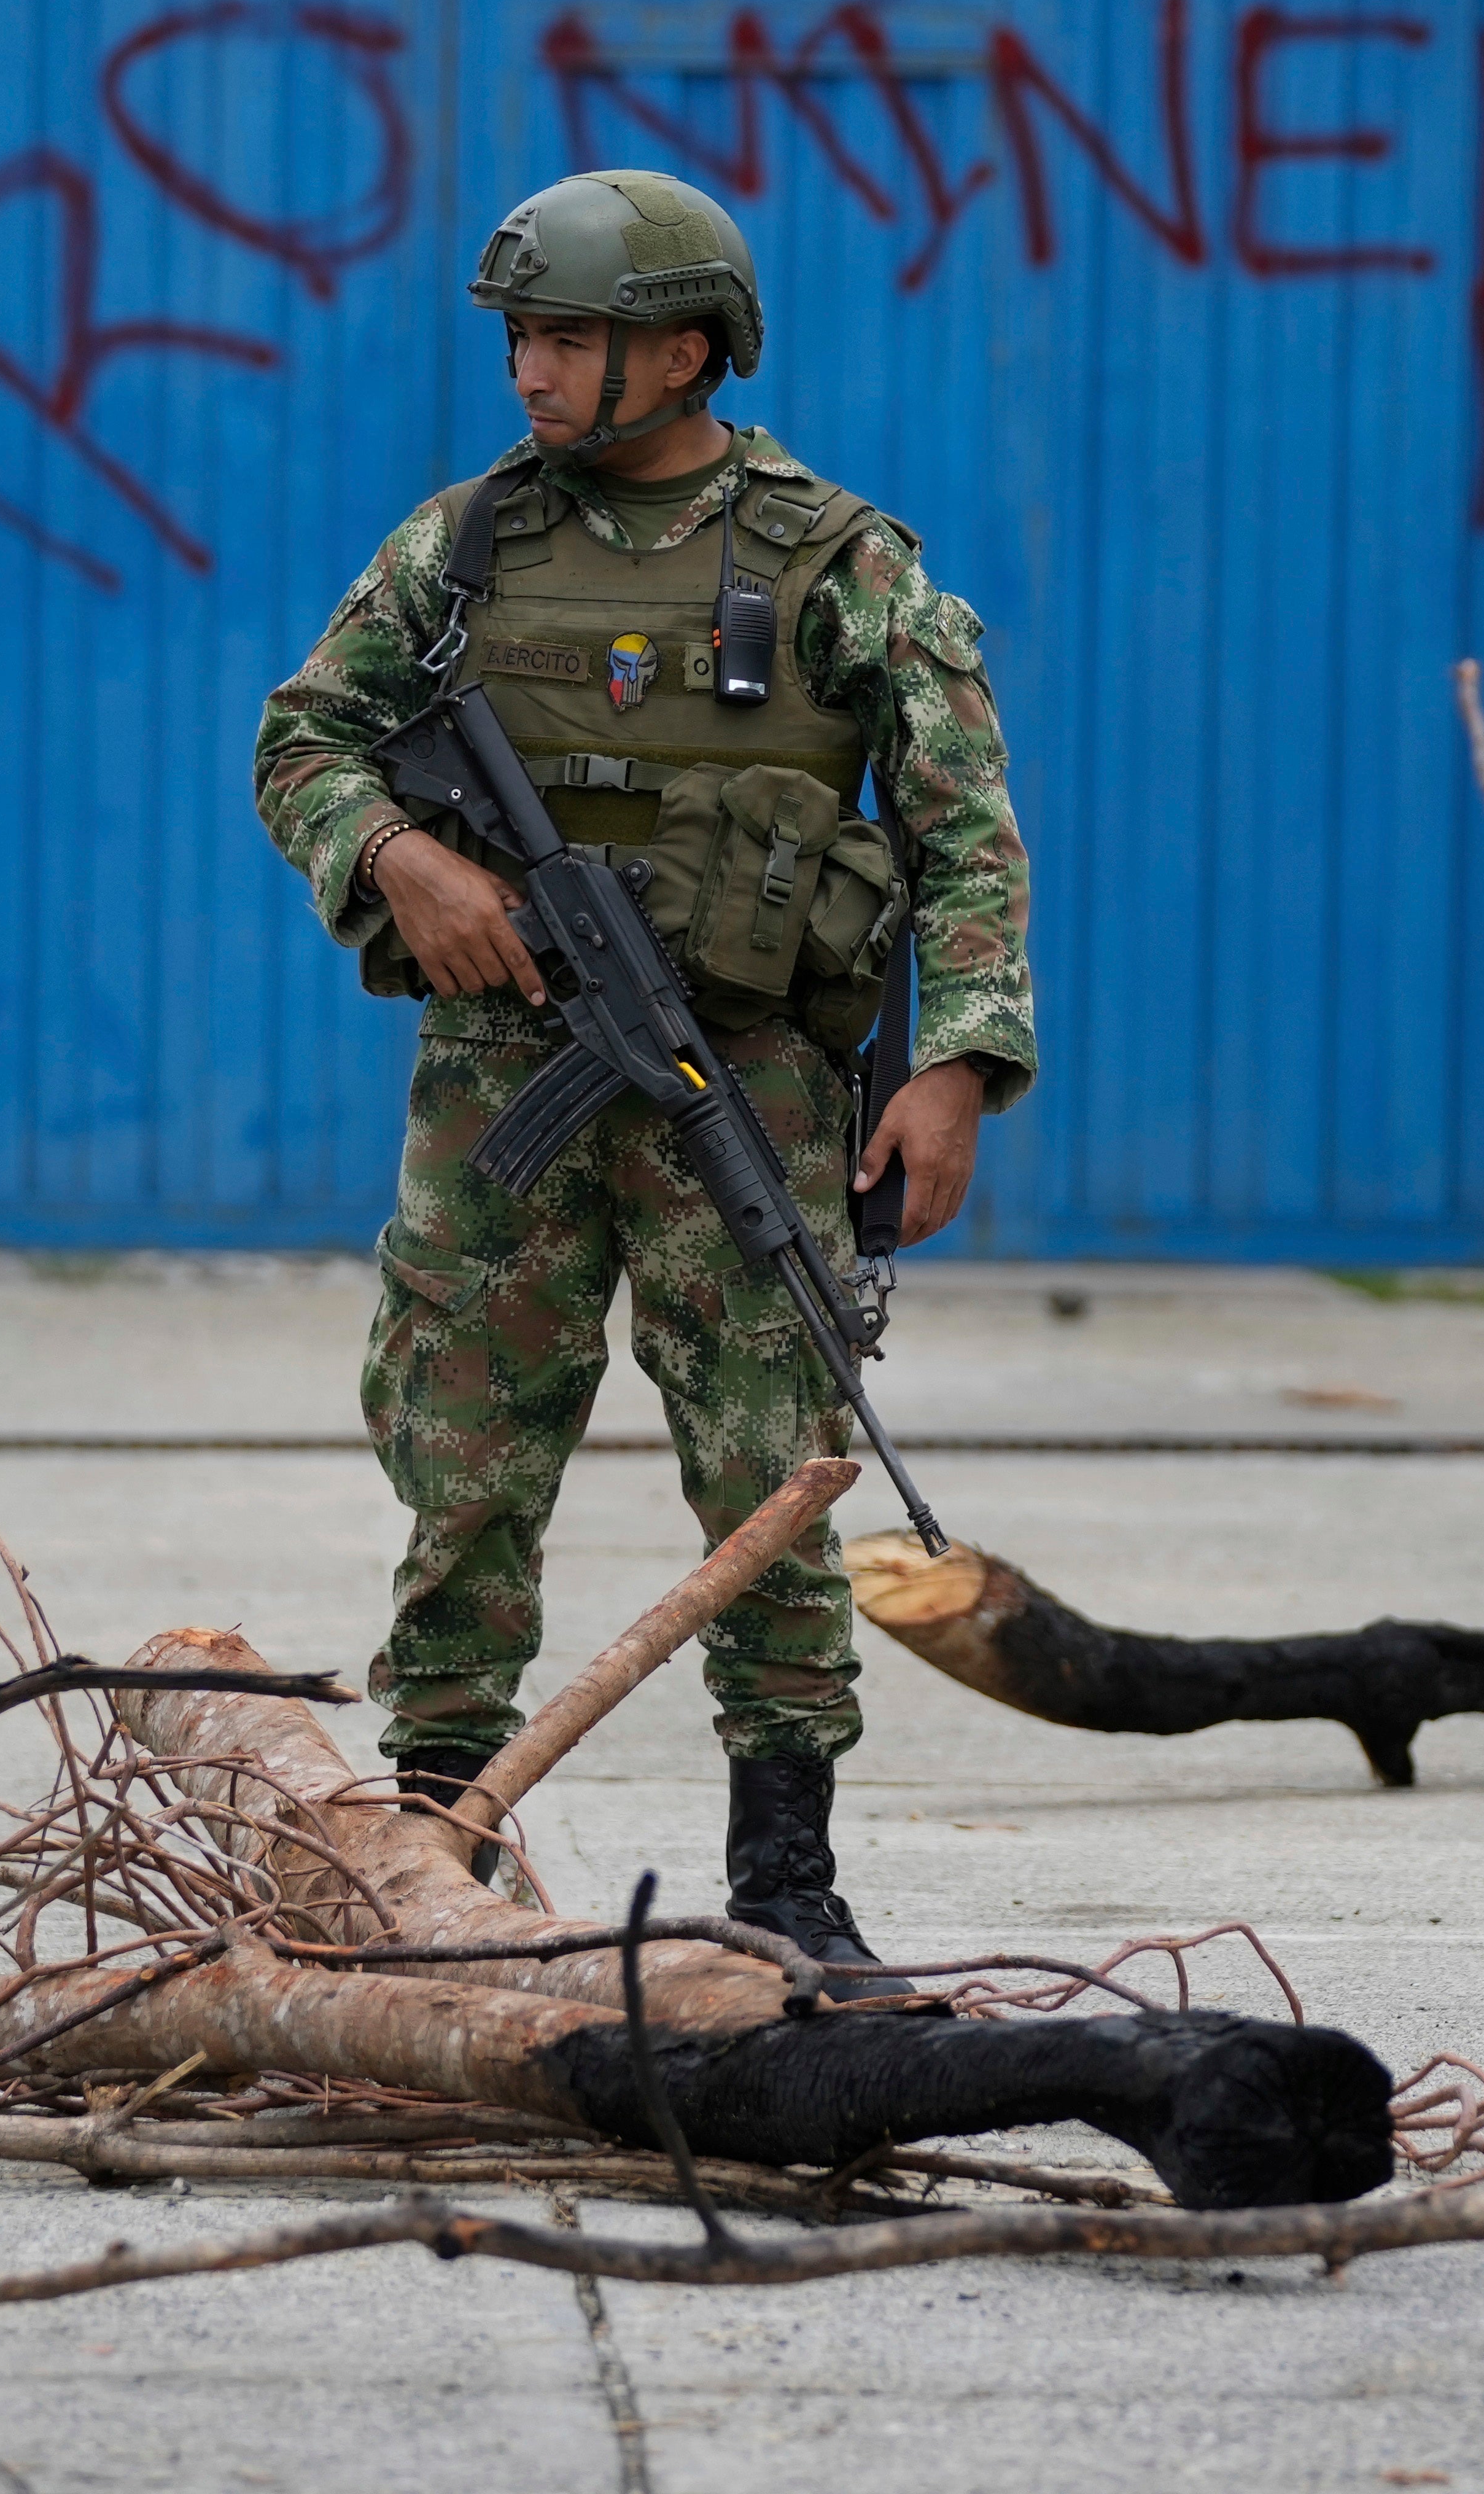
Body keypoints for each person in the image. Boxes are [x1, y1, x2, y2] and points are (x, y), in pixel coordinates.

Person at [250, 167, 1036, 1974]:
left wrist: (960, 1070)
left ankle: (788, 1877)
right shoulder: (458, 551)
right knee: (460, 1447)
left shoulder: (838, 562)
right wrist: (398, 856)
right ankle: (442, 1824)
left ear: (688, 351)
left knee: (770, 1451)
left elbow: (961, 833)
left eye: (573, 340)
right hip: (500, 1087)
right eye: (522, 337)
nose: (531, 373)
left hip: (747, 1087)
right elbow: (305, 738)